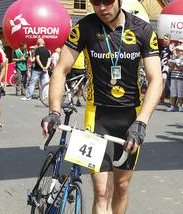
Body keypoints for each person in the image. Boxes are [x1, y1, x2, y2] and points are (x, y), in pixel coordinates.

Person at [41, 0, 162, 213]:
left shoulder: (142, 29)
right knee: (102, 191)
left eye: (107, 1)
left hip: (130, 117)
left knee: (122, 186)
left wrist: (141, 122)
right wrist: (54, 111)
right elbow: (60, 70)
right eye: (96, 2)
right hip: (96, 115)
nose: (102, 7)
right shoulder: (84, 28)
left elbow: (156, 80)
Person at [167, 43, 183, 112]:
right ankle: (172, 106)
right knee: (173, 92)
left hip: (180, 78)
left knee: (180, 92)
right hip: (173, 77)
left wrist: (176, 66)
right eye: (177, 50)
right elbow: (170, 68)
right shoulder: (174, 58)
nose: (177, 51)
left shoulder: (182, 59)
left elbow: (181, 68)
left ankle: (180, 106)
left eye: (179, 50)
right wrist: (170, 64)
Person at [160, 33, 173, 102]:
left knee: (163, 81)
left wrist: (170, 63)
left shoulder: (170, 47)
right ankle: (161, 96)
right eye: (164, 39)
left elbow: (174, 54)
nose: (164, 40)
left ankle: (162, 96)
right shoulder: (162, 47)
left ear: (169, 40)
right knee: (160, 81)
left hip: (166, 67)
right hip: (160, 66)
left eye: (166, 39)